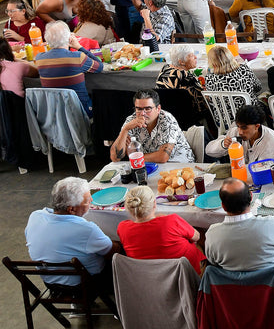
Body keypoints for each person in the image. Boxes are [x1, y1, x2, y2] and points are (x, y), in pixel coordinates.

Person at [25, 177, 119, 306]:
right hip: (85, 284)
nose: (91, 201)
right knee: (122, 251)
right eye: (87, 200)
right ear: (71, 209)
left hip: (50, 282)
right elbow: (112, 252)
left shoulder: (35, 216)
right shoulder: (86, 229)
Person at [205, 178, 274, 275]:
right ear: (251, 196)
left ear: (223, 206)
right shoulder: (271, 224)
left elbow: (213, 261)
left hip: (236, 283)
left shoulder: (212, 234)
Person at [118, 185, 205, 274]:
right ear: (154, 204)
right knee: (200, 232)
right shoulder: (171, 221)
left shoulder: (122, 228)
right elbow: (196, 237)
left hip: (150, 277)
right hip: (186, 274)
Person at [35, 21, 104, 115]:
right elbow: (100, 66)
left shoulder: (39, 58)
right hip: (80, 109)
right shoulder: (78, 57)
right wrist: (79, 47)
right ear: (69, 38)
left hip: (55, 112)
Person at [109, 89, 194, 164]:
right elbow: (115, 158)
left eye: (148, 109)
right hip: (151, 166)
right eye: (139, 109)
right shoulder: (131, 121)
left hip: (180, 165)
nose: (142, 113)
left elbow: (162, 157)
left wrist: (134, 156)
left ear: (158, 109)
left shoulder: (167, 119)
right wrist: (125, 130)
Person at [205, 102, 274, 165]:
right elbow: (208, 151)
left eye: (244, 128)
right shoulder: (235, 131)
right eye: (238, 126)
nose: (240, 132)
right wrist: (223, 144)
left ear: (257, 126)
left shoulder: (272, 144)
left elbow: (261, 172)